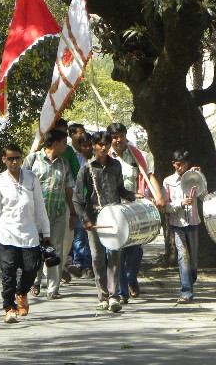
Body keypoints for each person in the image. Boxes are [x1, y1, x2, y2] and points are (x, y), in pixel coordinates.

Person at [0, 143, 52, 323]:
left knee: (31, 269)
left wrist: (46, 232)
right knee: (8, 273)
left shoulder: (31, 178)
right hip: (7, 234)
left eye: (17, 158)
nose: (14, 162)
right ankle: (9, 308)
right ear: (4, 160)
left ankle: (22, 293)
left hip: (29, 234)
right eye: (10, 158)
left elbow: (39, 206)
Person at [74, 130, 139, 312]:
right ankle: (102, 296)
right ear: (94, 146)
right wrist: (85, 220)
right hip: (94, 219)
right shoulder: (86, 168)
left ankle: (114, 296)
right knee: (97, 258)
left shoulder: (116, 165)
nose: (104, 147)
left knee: (115, 257)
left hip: (114, 218)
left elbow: (120, 190)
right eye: (100, 144)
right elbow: (78, 198)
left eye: (106, 144)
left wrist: (135, 197)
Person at [107, 122, 165, 303]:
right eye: (114, 137)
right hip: (114, 210)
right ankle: (122, 293)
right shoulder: (105, 156)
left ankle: (131, 277)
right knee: (117, 251)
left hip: (135, 209)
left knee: (135, 251)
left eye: (120, 136)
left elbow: (149, 175)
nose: (118, 140)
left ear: (125, 136)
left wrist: (159, 196)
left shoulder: (136, 154)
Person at [23, 128, 76, 299]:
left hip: (58, 213)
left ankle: (53, 288)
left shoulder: (64, 163)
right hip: (36, 214)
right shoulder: (32, 160)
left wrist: (72, 212)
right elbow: (22, 186)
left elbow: (68, 189)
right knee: (36, 248)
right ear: (55, 143)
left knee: (56, 250)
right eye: (64, 143)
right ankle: (35, 282)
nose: (66, 146)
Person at [163, 150, 202, 303]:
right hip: (177, 223)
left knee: (193, 258)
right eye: (178, 165)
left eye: (184, 165)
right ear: (174, 164)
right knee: (183, 255)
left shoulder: (193, 177)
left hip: (193, 221)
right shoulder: (168, 181)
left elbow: (204, 194)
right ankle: (186, 291)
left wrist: (200, 177)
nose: (181, 168)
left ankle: (190, 278)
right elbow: (165, 205)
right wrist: (179, 204)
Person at [53, 119, 81, 284]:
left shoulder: (68, 153)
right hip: (44, 206)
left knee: (66, 239)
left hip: (65, 201)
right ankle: (39, 278)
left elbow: (77, 176)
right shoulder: (38, 154)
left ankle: (60, 267)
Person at [67, 132, 94, 279]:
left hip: (92, 203)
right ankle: (78, 263)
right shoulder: (76, 160)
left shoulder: (98, 160)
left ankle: (89, 265)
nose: (88, 148)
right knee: (79, 234)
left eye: (90, 145)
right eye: (85, 146)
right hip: (78, 201)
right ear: (80, 147)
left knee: (90, 234)